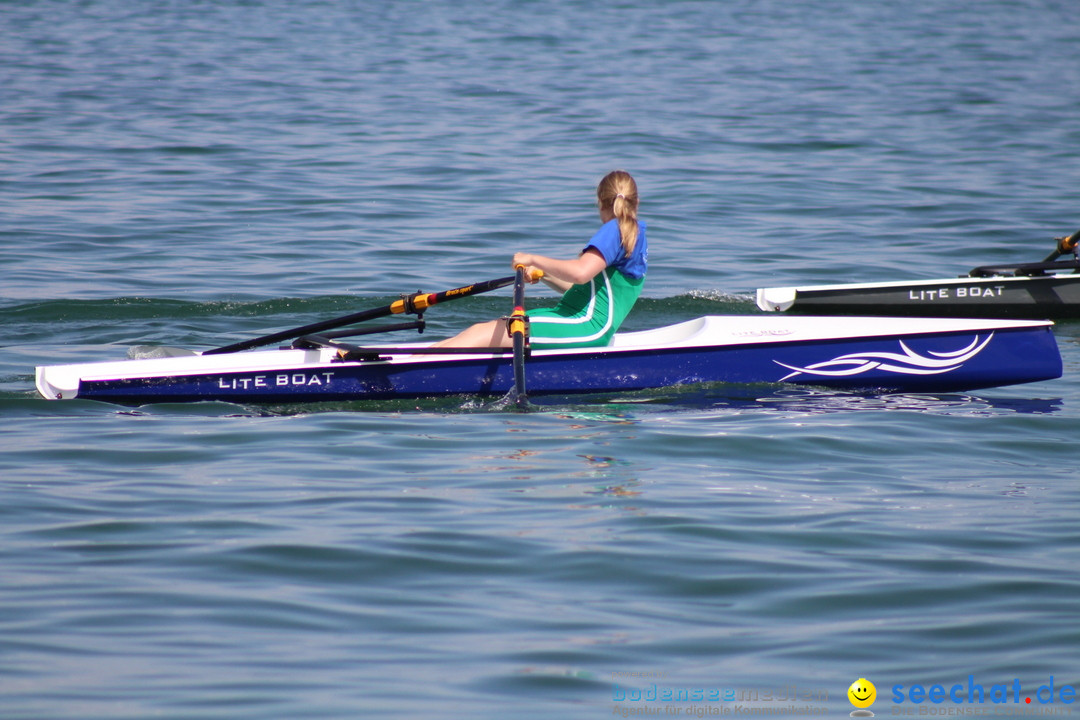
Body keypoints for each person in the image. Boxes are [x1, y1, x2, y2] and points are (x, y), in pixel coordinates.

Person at [434, 170, 647, 349]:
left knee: (484, 331)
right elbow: (579, 287)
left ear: (600, 202)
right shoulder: (632, 233)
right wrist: (543, 273)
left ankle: (409, 371)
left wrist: (533, 258)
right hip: (579, 320)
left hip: (585, 325)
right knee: (488, 330)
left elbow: (581, 274)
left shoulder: (614, 230)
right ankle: (418, 359)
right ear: (636, 201)